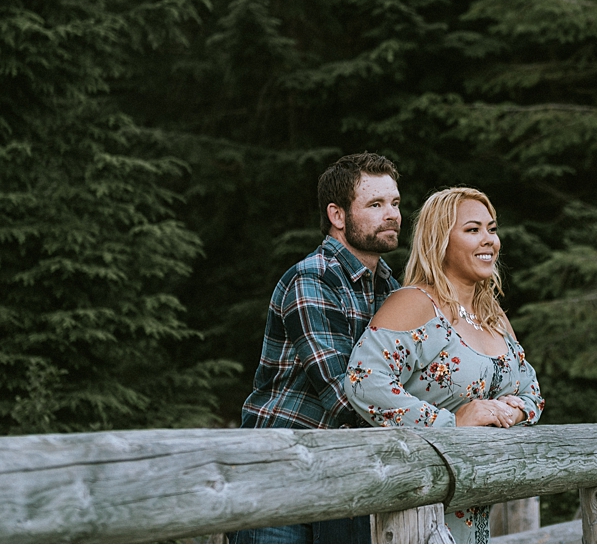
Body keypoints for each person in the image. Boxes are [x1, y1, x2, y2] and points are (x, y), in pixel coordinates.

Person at [346, 186, 544, 544]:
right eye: (473, 230)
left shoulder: (493, 315)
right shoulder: (416, 303)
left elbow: (531, 392)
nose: (489, 241)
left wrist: (514, 412)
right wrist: (452, 423)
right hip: (420, 509)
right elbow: (364, 381)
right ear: (440, 240)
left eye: (492, 229)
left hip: (477, 509)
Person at [228, 153, 404, 545]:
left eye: (394, 203)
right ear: (337, 216)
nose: (392, 215)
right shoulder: (312, 279)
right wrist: (443, 421)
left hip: (346, 474)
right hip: (277, 472)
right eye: (375, 205)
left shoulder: (392, 290)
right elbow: (345, 396)